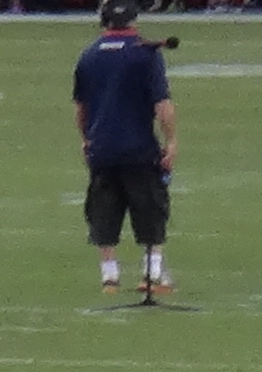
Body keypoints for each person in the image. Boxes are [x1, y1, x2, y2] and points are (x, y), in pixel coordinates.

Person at [72, 0, 172, 309]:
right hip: (139, 147)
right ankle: (151, 273)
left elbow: (81, 108)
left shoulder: (88, 56)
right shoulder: (145, 53)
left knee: (103, 211)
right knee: (150, 209)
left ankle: (110, 276)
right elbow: (162, 104)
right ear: (134, 20)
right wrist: (172, 141)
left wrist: (87, 138)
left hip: (102, 147)